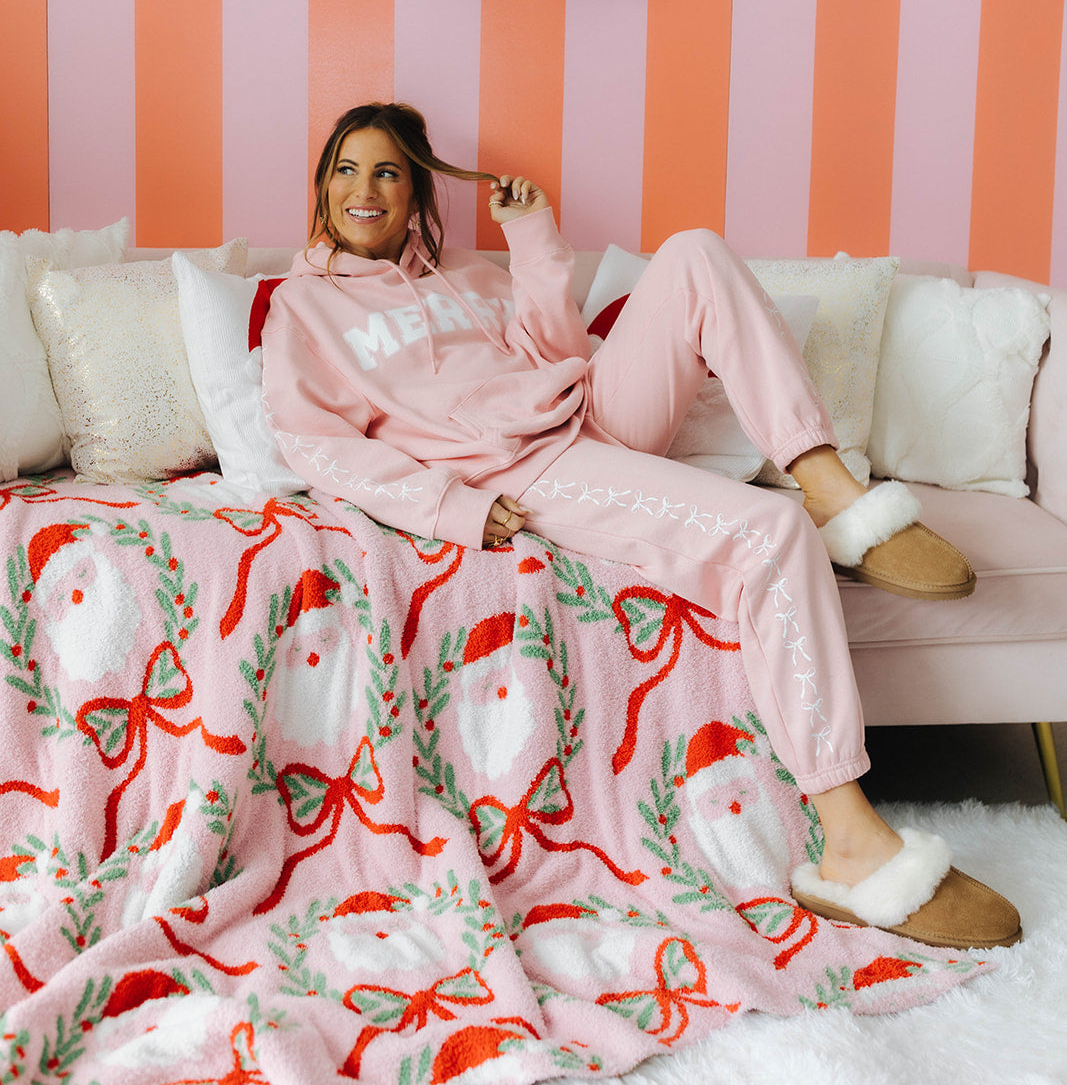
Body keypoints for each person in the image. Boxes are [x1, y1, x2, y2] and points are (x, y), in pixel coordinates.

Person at [260, 102, 1021, 952]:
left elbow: (553, 347)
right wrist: (456, 510)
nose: (364, 190)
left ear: (417, 193)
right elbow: (318, 447)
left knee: (694, 249)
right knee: (769, 534)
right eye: (346, 170)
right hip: (529, 470)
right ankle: (848, 839)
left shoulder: (462, 273)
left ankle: (830, 481)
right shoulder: (303, 308)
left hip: (586, 410)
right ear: (322, 187)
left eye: (388, 172)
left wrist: (533, 237)